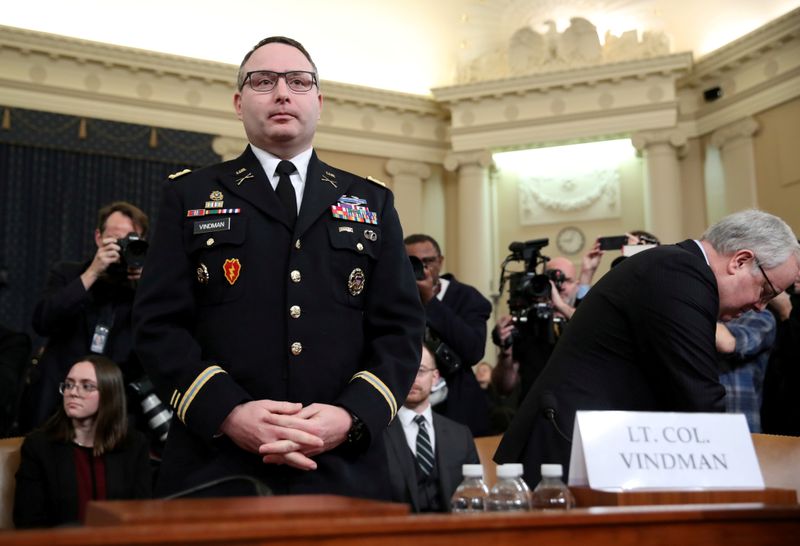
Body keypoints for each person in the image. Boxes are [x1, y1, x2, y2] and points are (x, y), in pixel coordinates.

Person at [132, 36, 424, 499]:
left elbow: (401, 330)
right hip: (218, 465)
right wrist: (228, 412)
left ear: (319, 102)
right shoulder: (190, 196)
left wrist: (350, 417)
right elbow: (157, 325)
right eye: (263, 81)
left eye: (299, 81)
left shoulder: (371, 201)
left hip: (344, 465)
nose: (283, 93)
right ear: (238, 101)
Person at [495, 209, 800, 486]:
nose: (762, 307)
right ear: (741, 261)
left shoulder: (676, 267)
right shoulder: (682, 273)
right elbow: (698, 395)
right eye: (766, 290)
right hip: (566, 453)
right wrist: (744, 482)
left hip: (590, 450)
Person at [25, 202, 151, 435]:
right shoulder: (68, 273)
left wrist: (145, 286)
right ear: (98, 237)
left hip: (115, 406)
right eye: (114, 239)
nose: (122, 248)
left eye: (130, 241)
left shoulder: (146, 289)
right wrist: (92, 273)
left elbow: (158, 341)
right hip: (57, 399)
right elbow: (42, 322)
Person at [13, 355, 151, 528]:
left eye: (87, 386)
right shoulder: (39, 446)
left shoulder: (133, 445)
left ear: (109, 394)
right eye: (69, 384)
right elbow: (28, 522)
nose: (73, 392)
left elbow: (140, 516)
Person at [405, 233, 491, 436]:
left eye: (428, 261)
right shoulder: (393, 298)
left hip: (457, 403)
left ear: (440, 261)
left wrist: (430, 302)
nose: (423, 269)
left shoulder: (468, 297)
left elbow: (473, 350)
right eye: (413, 263)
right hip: (405, 402)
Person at [383, 344, 479, 512]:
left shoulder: (461, 435)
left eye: (420, 371)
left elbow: (476, 494)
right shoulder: (379, 433)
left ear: (435, 377)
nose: (412, 378)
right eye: (406, 370)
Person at [492, 255, 579, 398]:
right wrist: (506, 354)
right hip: (536, 409)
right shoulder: (525, 323)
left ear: (577, 285)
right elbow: (504, 387)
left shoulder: (584, 314)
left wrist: (561, 306)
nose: (560, 286)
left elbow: (597, 329)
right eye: (553, 280)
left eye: (566, 280)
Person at [715, 309, 777, 432]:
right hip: (696, 426)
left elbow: (727, 342)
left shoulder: (760, 316)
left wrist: (684, 310)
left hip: (740, 429)